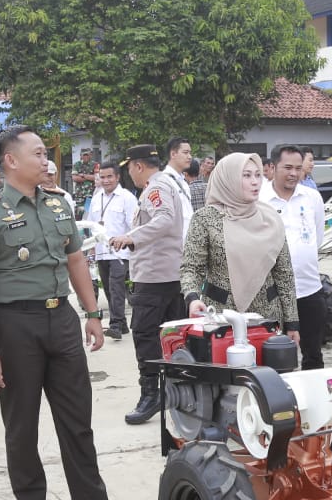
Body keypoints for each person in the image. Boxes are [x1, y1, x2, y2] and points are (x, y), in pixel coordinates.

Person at [0, 125, 133, 500]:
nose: (46, 161)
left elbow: (76, 261)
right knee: (21, 423)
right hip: (15, 325)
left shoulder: (58, 206)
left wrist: (93, 312)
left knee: (77, 418)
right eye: (38, 154)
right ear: (11, 161)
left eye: (45, 154)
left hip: (62, 322)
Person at [109, 145, 187, 425]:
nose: (129, 173)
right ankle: (175, 393)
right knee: (170, 337)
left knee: (145, 335)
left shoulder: (156, 187)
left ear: (138, 166)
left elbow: (164, 219)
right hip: (166, 275)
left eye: (129, 168)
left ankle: (151, 394)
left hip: (154, 279)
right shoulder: (165, 184)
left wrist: (132, 238)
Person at [181, 153, 299, 332]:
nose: (255, 182)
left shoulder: (270, 218)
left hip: (268, 320)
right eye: (246, 175)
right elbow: (191, 268)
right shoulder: (205, 219)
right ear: (228, 179)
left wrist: (292, 323)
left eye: (257, 175)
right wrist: (192, 297)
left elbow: (284, 275)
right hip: (221, 319)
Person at [260, 145, 327, 369]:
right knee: (273, 355)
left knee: (313, 354)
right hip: (272, 293)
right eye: (287, 167)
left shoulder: (312, 197)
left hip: (309, 289)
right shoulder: (259, 199)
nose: (293, 173)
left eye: (298, 168)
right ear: (272, 167)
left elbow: (316, 238)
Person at [87, 160, 137, 340]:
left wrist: (130, 244)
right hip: (101, 251)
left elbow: (134, 225)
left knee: (116, 286)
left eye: (110, 177)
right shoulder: (96, 198)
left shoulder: (127, 197)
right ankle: (122, 324)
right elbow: (92, 225)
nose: (106, 181)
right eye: (103, 177)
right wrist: (91, 250)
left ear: (117, 177)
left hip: (120, 251)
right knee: (108, 288)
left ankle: (115, 324)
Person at [162, 136, 195, 240]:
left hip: (188, 244)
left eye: (190, 153)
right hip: (173, 247)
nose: (189, 157)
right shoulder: (163, 181)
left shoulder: (183, 182)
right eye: (185, 153)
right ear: (173, 154)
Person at [71, 146, 97, 218]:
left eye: (87, 155)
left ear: (90, 155)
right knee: (79, 215)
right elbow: (75, 178)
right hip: (79, 195)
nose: (85, 156)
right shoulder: (77, 164)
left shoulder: (95, 165)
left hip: (92, 194)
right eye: (84, 155)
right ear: (81, 156)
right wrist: (90, 177)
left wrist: (83, 175)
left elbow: (96, 177)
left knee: (91, 214)